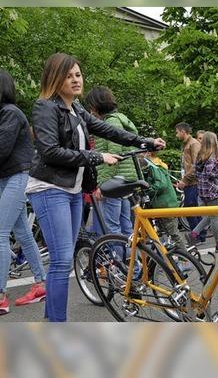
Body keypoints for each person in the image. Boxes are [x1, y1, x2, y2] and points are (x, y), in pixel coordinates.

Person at [26, 53, 165, 322]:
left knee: (64, 258)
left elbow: (109, 131)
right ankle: (56, 324)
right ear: (55, 78)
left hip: (74, 189)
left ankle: (51, 320)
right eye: (69, 75)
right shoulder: (45, 107)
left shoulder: (76, 109)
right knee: (62, 260)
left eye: (78, 74)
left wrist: (144, 142)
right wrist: (97, 157)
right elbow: (50, 151)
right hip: (48, 188)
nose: (76, 79)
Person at [0, 70, 47, 315]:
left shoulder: (10, 113)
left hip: (17, 176)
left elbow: (2, 148)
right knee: (23, 233)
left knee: (0, 232)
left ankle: (0, 296)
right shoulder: (4, 114)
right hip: (7, 177)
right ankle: (40, 285)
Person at [84, 87, 138, 237]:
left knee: (112, 227)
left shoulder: (111, 123)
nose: (90, 111)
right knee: (126, 226)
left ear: (96, 105)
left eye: (91, 106)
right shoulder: (121, 119)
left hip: (114, 182)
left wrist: (104, 185)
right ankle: (132, 259)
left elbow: (113, 155)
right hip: (125, 180)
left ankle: (120, 260)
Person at [142, 152, 185, 249]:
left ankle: (185, 256)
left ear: (148, 153)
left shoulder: (154, 166)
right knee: (169, 232)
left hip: (165, 204)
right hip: (166, 203)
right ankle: (178, 255)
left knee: (172, 232)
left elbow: (161, 184)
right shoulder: (158, 164)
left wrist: (148, 190)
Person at [192, 132, 218, 252]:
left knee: (209, 216)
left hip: (202, 192)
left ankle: (195, 233)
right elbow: (211, 174)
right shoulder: (211, 157)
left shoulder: (200, 156)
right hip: (211, 192)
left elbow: (196, 173)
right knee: (214, 218)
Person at [175, 122, 204, 244]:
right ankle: (199, 235)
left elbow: (196, 165)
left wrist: (184, 180)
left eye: (177, 132)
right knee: (193, 209)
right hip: (190, 182)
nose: (176, 135)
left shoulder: (193, 144)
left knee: (190, 209)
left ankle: (197, 235)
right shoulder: (188, 144)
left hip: (193, 183)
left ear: (183, 132)